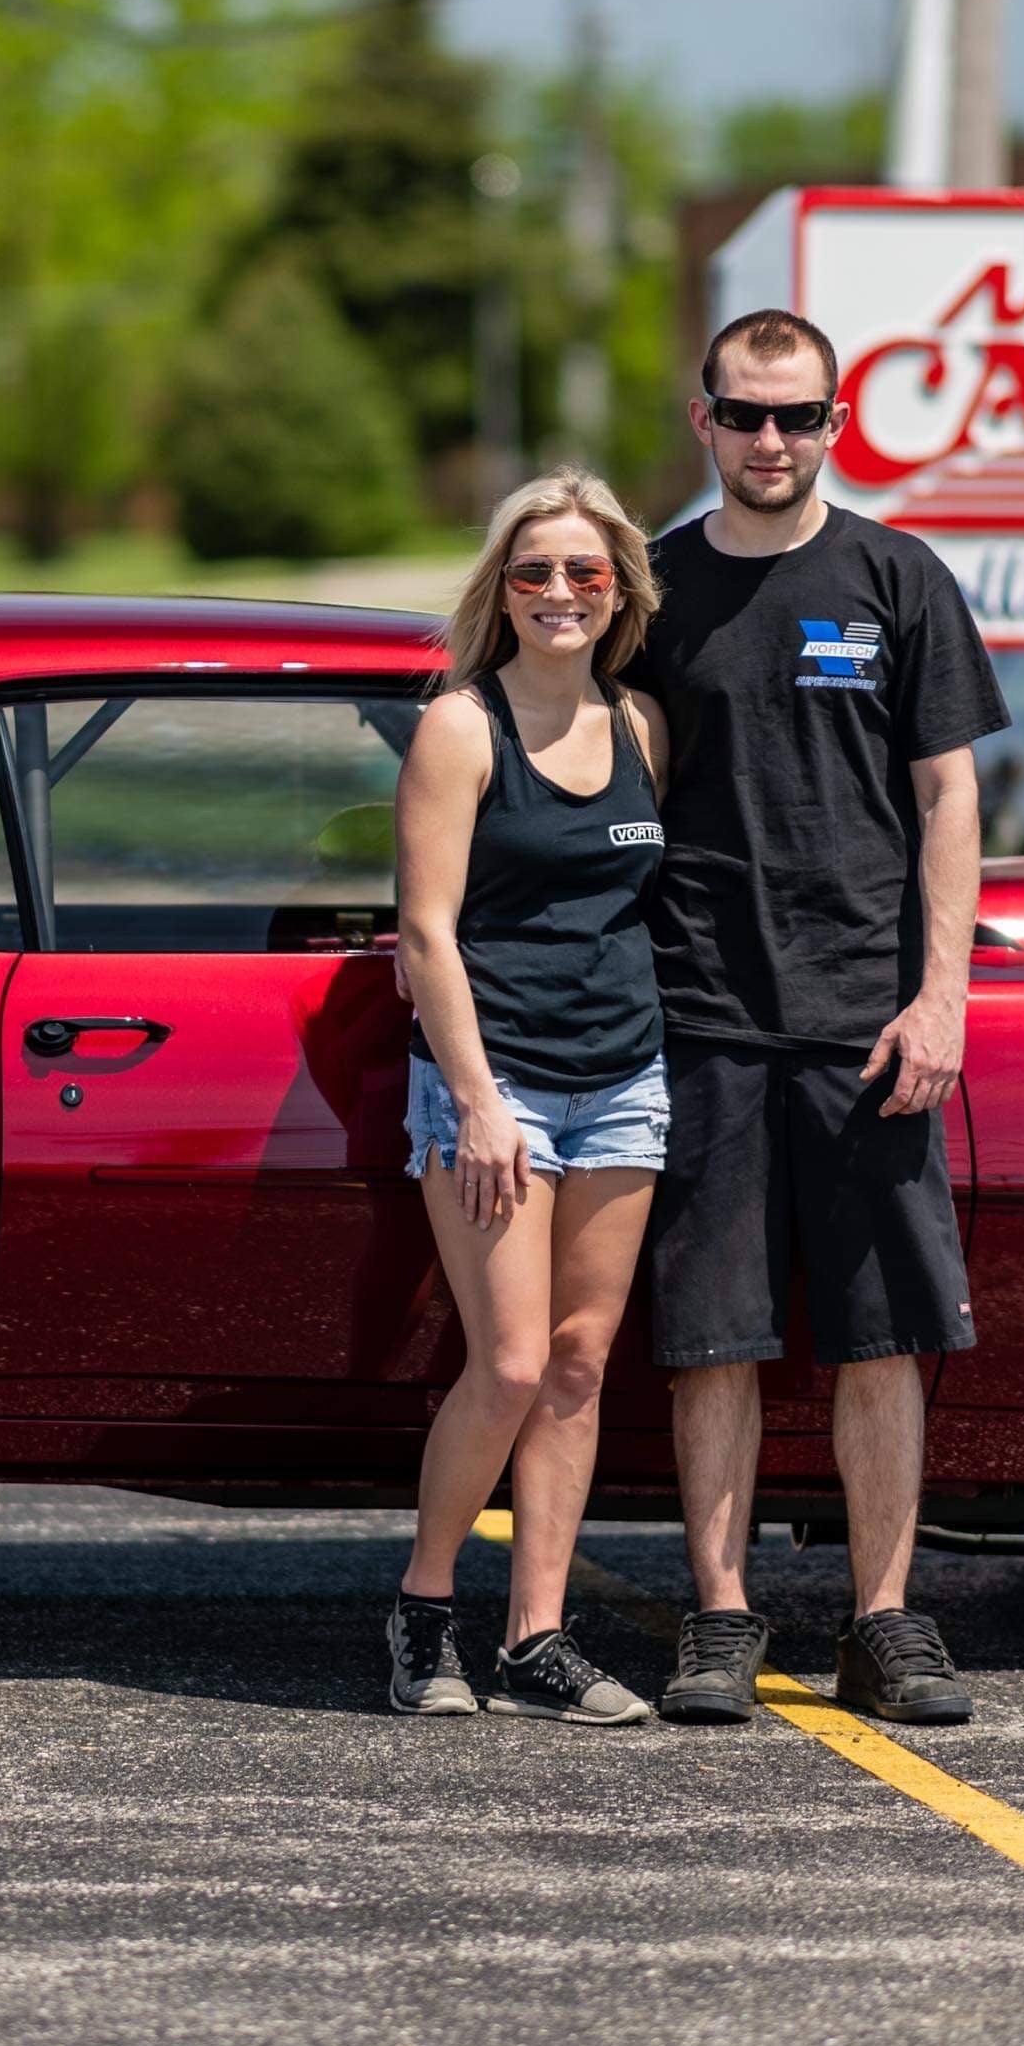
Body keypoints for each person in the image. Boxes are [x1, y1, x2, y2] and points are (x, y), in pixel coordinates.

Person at [634, 308, 1008, 1729]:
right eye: (745, 413)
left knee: (880, 1335)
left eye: (798, 415)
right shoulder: (653, 592)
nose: (770, 439)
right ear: (704, 420)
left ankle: (885, 1623)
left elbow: (948, 798)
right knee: (712, 1337)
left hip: (868, 1023)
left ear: (837, 424)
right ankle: (720, 1619)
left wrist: (940, 998)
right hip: (703, 1015)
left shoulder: (897, 578)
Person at [383, 469, 673, 1727]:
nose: (561, 591)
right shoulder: (461, 727)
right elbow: (424, 933)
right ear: (500, 591)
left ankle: (536, 1639)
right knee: (504, 1363)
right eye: (535, 571)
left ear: (619, 591)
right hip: (492, 1085)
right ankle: (422, 1612)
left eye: (585, 571)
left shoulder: (643, 726)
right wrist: (478, 1099)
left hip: (624, 1080)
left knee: (576, 1363)